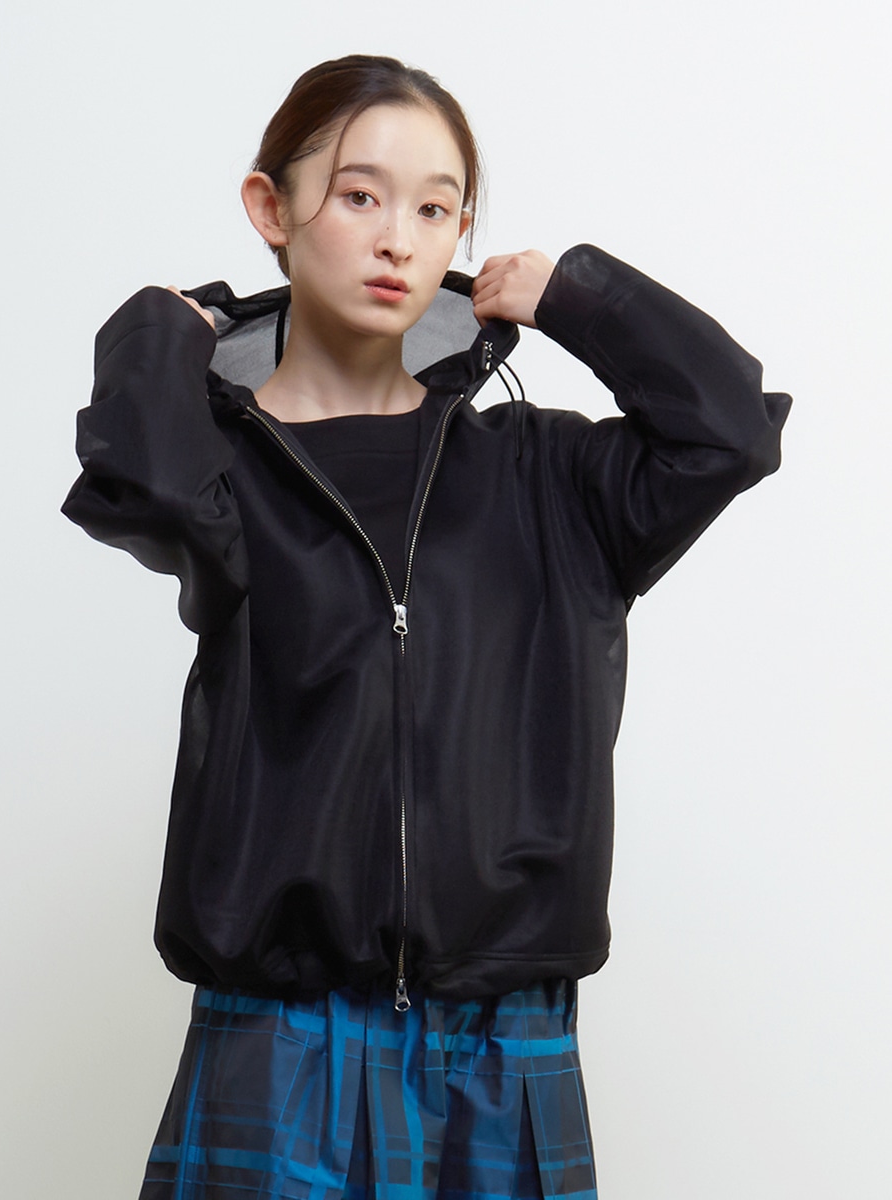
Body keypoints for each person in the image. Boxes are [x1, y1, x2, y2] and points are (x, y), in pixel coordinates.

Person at [63, 54, 790, 1200]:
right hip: (280, 1039)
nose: (400, 239)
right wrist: (163, 330)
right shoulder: (230, 480)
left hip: (503, 1052)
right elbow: (139, 478)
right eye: (360, 195)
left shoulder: (550, 476)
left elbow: (732, 432)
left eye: (436, 208)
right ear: (271, 208)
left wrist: (575, 295)